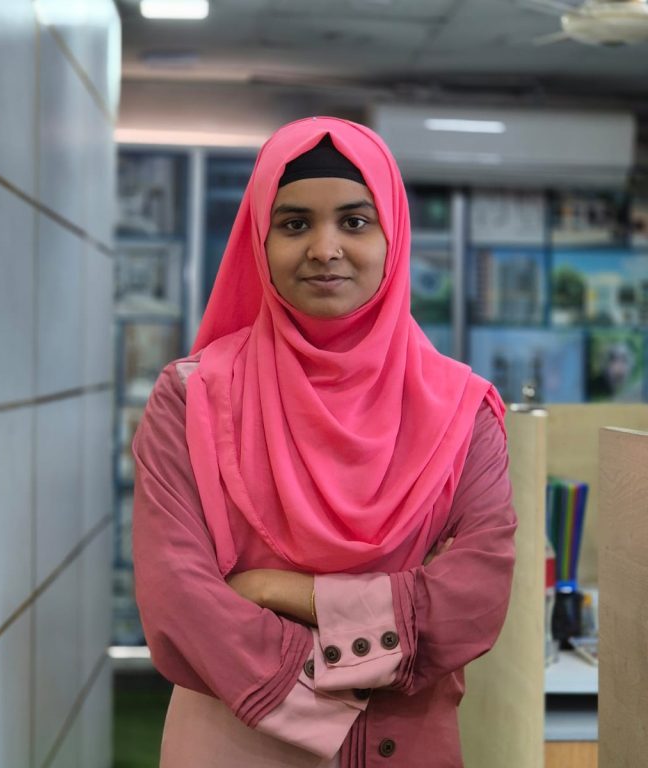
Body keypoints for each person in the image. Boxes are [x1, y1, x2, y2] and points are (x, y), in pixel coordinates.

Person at [132, 116, 517, 768]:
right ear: (259, 241)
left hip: (405, 746)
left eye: (355, 221)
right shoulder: (192, 398)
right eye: (293, 224)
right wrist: (384, 629)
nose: (324, 248)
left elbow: (472, 601)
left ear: (393, 235)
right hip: (234, 742)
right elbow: (178, 597)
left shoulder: (464, 411)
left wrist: (273, 589)